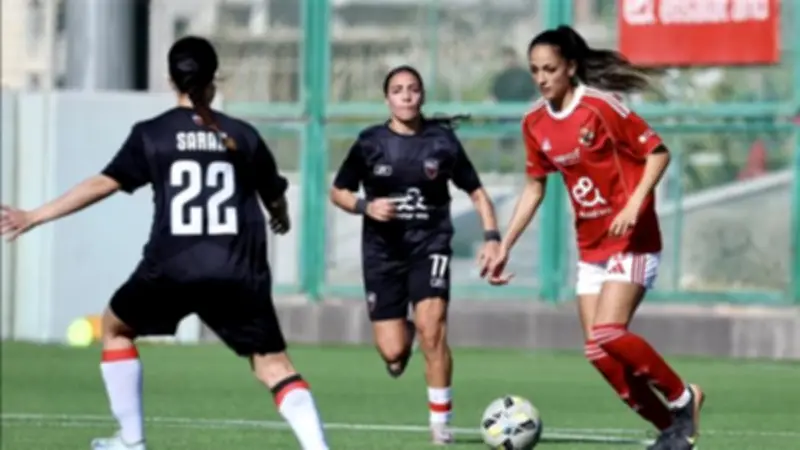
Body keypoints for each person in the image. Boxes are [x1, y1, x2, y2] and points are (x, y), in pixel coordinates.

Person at [0, 36, 329, 450]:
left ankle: (131, 441)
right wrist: (279, 214)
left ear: (170, 79)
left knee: (115, 327)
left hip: (173, 265)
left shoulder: (153, 134)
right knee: (273, 366)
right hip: (237, 268)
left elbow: (102, 184)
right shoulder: (243, 135)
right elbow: (273, 193)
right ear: (215, 78)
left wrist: (34, 216)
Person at [484, 26, 705, 450]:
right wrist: (504, 246)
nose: (542, 78)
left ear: (570, 67)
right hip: (591, 247)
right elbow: (534, 188)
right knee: (599, 353)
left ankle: (683, 398)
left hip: (633, 238)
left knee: (608, 332)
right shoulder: (534, 122)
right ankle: (672, 430)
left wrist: (633, 205)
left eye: (550, 69)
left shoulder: (601, 107)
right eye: (535, 70)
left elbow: (658, 153)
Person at [329, 65, 501, 445]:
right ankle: (403, 336)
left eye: (413, 89)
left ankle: (441, 424)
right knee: (392, 353)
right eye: (397, 90)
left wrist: (492, 238)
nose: (406, 96)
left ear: (422, 95)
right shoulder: (370, 143)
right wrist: (366, 206)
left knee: (433, 328)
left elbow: (477, 193)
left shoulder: (443, 143)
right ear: (387, 99)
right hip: (382, 253)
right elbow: (338, 191)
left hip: (429, 246)